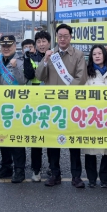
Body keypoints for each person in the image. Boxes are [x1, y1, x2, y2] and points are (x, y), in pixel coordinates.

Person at [35, 23, 88, 188]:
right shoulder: (51, 54)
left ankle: (76, 176)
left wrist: (66, 95)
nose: (63, 39)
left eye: (66, 36)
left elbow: (81, 78)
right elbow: (40, 76)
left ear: (70, 37)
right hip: (52, 105)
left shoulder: (78, 55)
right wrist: (45, 60)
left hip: (71, 105)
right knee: (53, 141)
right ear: (56, 37)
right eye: (60, 36)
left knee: (73, 141)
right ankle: (55, 174)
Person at [83, 45, 107, 188]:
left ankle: (105, 179)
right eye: (94, 54)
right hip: (91, 115)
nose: (97, 56)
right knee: (90, 149)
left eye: (100, 53)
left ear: (105, 55)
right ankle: (91, 179)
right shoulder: (86, 73)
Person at [0, 35, 27, 183]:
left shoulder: (22, 60)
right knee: (3, 137)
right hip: (1, 104)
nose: (6, 48)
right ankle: (6, 166)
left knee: (16, 138)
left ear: (15, 46)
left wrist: (15, 67)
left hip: (17, 105)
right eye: (3, 46)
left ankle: (19, 169)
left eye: (9, 46)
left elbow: (23, 81)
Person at [24, 31, 50, 182]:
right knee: (36, 138)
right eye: (38, 42)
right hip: (35, 102)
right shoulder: (31, 58)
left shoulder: (56, 57)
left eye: (44, 41)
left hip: (52, 101)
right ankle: (36, 169)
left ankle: (53, 167)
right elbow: (29, 75)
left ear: (49, 43)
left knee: (52, 136)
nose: (41, 44)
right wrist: (26, 58)